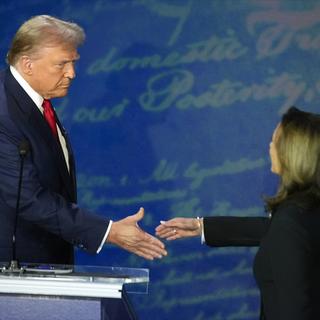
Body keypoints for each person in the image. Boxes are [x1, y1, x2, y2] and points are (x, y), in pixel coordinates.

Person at [0, 14, 167, 266]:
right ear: (28, 64)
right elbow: (27, 197)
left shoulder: (34, 100)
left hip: (45, 261)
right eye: (62, 64)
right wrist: (108, 232)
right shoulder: (5, 113)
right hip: (17, 271)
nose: (72, 73)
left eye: (73, 62)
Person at [156, 107, 320, 320]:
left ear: (292, 153)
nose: (270, 147)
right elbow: (273, 231)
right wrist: (201, 226)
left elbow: (296, 310)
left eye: (275, 141)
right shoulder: (306, 211)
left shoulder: (290, 221)